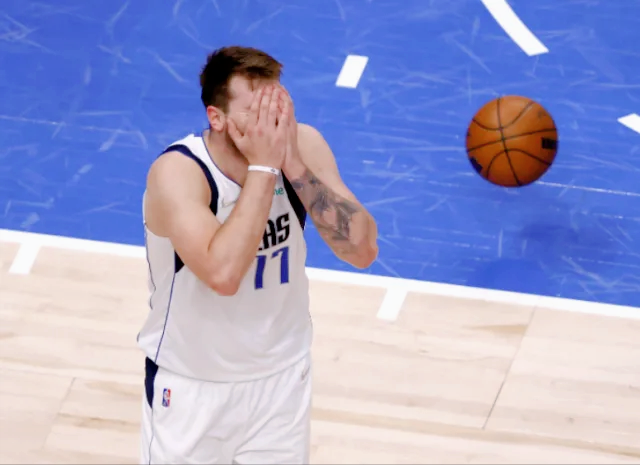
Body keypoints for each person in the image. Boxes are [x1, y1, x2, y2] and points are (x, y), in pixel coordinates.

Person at [137, 46, 379, 464]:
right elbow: (223, 275)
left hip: (281, 382)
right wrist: (265, 167)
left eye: (277, 106)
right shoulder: (179, 172)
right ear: (217, 118)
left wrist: (294, 165)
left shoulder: (302, 146)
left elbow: (362, 250)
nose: (273, 123)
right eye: (257, 111)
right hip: (193, 386)